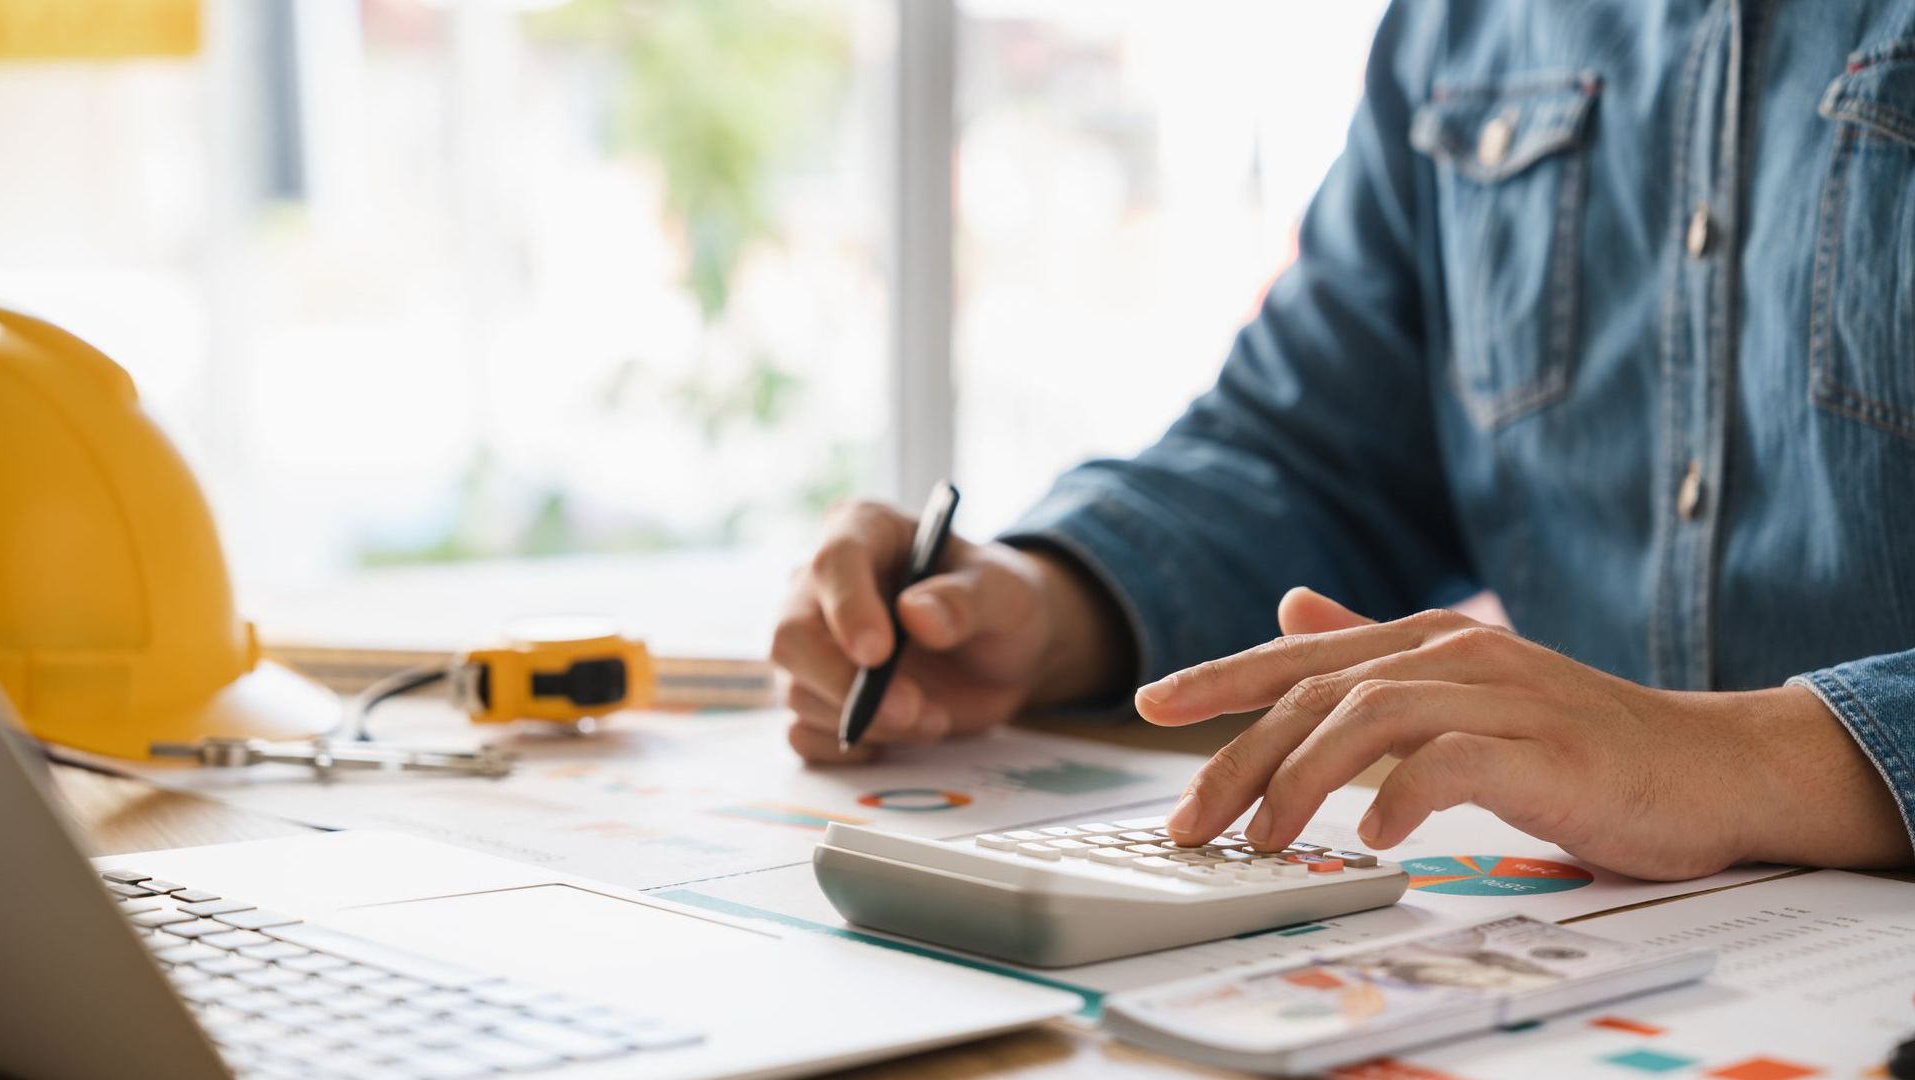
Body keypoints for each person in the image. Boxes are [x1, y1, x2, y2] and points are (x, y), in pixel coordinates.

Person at [770, 0, 1915, 881]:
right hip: (1606, 948)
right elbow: (1323, 449)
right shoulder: (1468, 22)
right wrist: (1042, 602)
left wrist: (1745, 759)